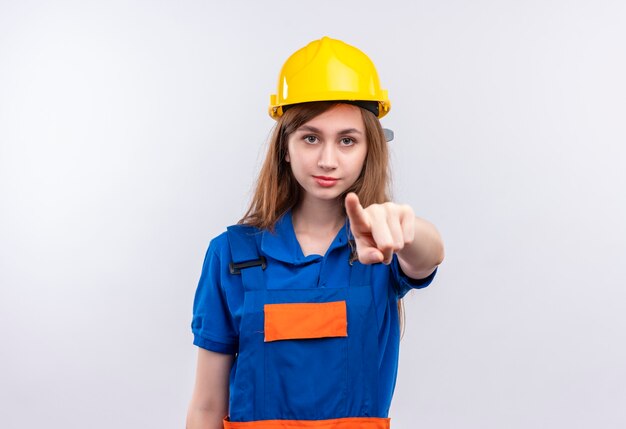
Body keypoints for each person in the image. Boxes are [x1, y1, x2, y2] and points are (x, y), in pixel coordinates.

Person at [186, 36, 444, 429]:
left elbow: (429, 255)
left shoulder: (381, 248)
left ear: (369, 149)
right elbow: (206, 406)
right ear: (285, 148)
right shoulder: (231, 256)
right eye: (310, 138)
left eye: (346, 141)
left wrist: (405, 228)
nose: (328, 160)